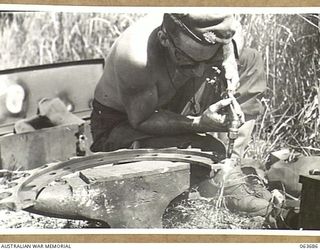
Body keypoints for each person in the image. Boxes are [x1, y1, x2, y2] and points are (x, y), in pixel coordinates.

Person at [90, 13, 275, 218]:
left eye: (207, 59)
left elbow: (231, 39)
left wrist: (229, 61)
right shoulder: (136, 55)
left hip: (172, 102)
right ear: (164, 39)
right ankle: (216, 177)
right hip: (124, 122)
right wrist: (199, 124)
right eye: (188, 62)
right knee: (207, 151)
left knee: (249, 59)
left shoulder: (219, 26)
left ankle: (230, 166)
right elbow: (142, 119)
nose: (198, 73)